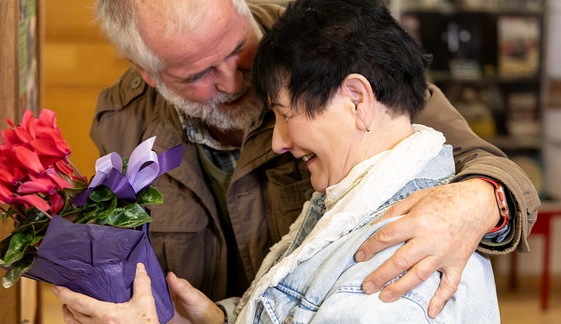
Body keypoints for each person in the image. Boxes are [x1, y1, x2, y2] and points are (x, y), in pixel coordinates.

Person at [55, 0, 501, 322]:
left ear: (242, 10)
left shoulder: (328, 54)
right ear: (147, 74)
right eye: (198, 74)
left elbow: (478, 161)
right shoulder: (121, 121)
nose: (231, 82)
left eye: (235, 50)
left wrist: (476, 202)